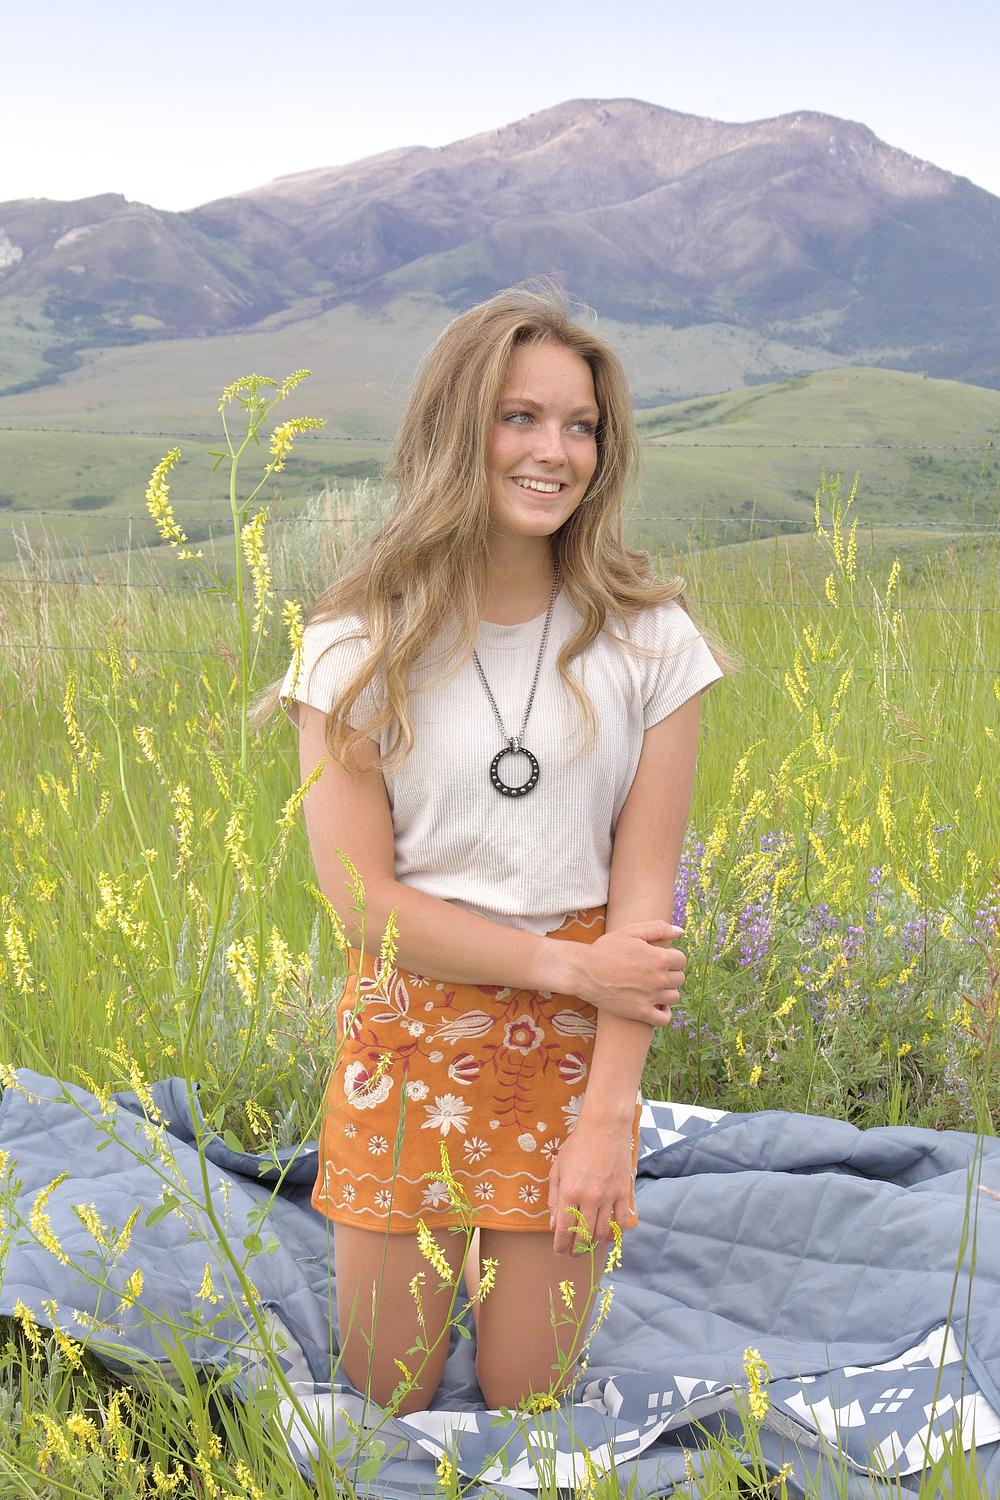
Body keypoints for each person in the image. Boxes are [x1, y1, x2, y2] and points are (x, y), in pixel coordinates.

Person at [264, 283, 732, 1420]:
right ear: (454, 428)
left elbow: (642, 907)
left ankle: (518, 1241)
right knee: (390, 1395)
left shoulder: (652, 641)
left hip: (575, 1052)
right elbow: (363, 907)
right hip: (408, 1033)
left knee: (528, 1400)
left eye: (581, 427)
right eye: (519, 417)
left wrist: (608, 1118)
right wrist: (568, 966)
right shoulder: (353, 645)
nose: (553, 452)